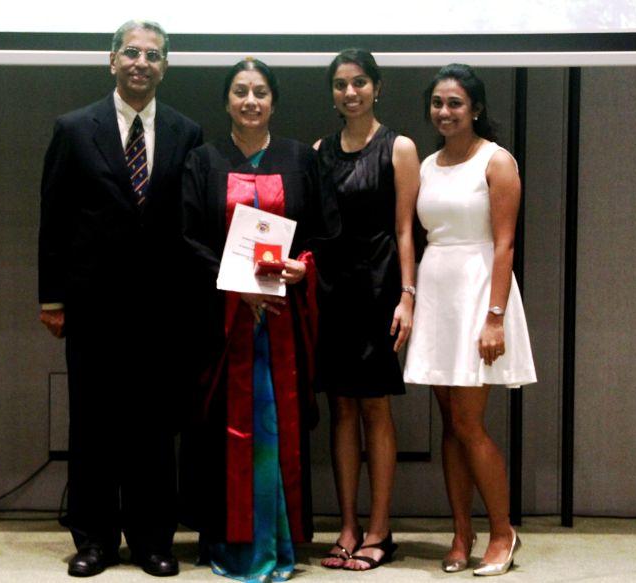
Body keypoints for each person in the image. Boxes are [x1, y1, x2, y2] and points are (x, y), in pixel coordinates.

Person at [37, 19, 202, 578]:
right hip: (92, 306)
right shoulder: (73, 128)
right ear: (112, 60)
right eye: (131, 53)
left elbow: (189, 224)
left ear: (165, 67)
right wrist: (52, 298)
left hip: (161, 310)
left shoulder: (186, 132)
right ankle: (95, 541)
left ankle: (153, 540)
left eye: (152, 56)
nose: (141, 63)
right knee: (93, 426)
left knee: (154, 428)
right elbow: (54, 218)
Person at [179, 58, 335, 583]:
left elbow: (326, 233)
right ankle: (228, 539)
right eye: (241, 91)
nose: (251, 101)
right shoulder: (203, 160)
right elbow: (188, 237)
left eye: (261, 92)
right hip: (224, 323)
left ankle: (277, 540)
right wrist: (234, 285)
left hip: (282, 322)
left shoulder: (300, 159)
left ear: (274, 101)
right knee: (227, 431)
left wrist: (303, 266)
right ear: (226, 101)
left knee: (276, 428)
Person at [403, 63, 537, 576]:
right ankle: (461, 533)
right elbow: (417, 235)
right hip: (438, 291)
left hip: (480, 291)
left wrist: (495, 317)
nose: (445, 111)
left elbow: (505, 244)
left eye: (455, 103)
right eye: (438, 103)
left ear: (475, 108)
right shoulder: (427, 165)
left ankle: (503, 532)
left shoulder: (496, 161)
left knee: (468, 423)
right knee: (450, 425)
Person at [314, 48, 420, 571]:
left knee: (375, 406)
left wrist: (408, 295)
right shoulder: (319, 150)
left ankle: (380, 529)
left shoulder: (399, 147)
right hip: (331, 292)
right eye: (340, 84)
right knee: (341, 408)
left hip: (380, 288)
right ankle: (348, 527)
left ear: (377, 87)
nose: (349, 92)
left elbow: (405, 229)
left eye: (359, 82)